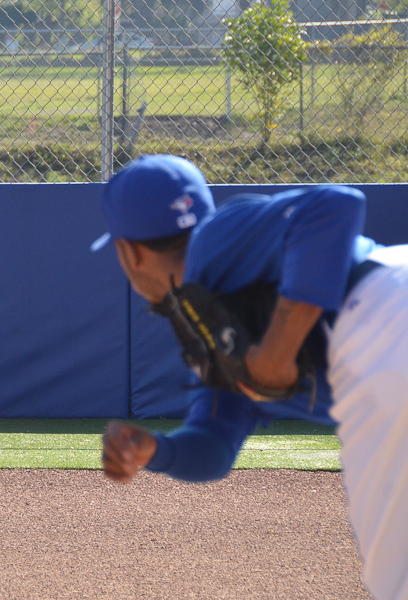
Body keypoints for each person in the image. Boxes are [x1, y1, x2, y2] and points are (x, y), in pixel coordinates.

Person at [95, 155, 408, 600]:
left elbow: (337, 204)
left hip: (380, 328)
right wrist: (158, 451)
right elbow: (214, 446)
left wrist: (274, 352)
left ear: (129, 251)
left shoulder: (213, 239)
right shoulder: (205, 323)